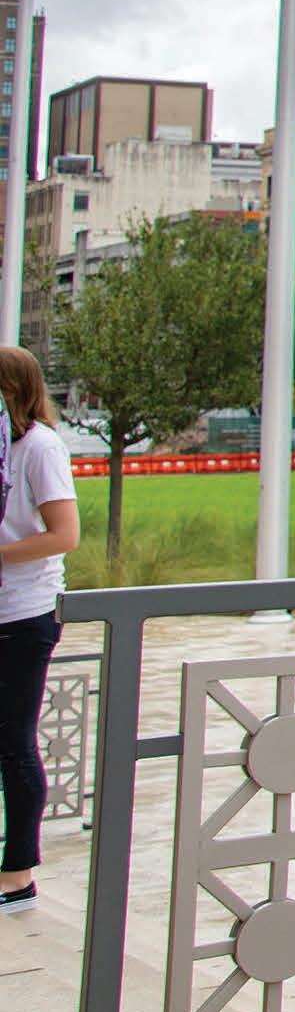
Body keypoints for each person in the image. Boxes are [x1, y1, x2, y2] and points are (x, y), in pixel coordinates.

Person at [0, 343, 80, 918]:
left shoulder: (41, 447)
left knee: (15, 744)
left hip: (24, 614)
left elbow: (64, 535)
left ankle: (19, 876)